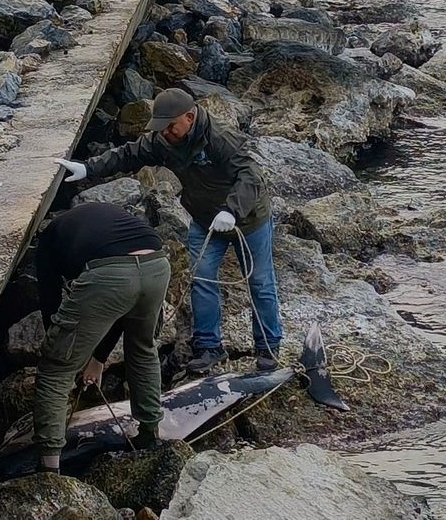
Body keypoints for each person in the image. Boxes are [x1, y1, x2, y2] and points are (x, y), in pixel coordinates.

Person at [56, 87, 284, 374]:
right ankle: (209, 347)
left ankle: (268, 347)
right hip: (205, 220)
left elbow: (250, 174)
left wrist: (232, 210)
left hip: (249, 220)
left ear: (189, 117)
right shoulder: (164, 140)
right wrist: (88, 168)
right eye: (161, 128)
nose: (165, 133)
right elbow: (130, 154)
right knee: (202, 279)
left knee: (261, 283)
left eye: (170, 127)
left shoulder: (220, 137)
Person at [31, 201, 170, 474]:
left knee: (55, 369)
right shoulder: (101, 218)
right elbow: (120, 311)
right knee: (142, 349)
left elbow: (51, 306)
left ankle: (48, 469)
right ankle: (149, 433)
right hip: (157, 265)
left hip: (112, 274)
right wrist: (96, 359)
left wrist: (67, 354)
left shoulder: (47, 242)